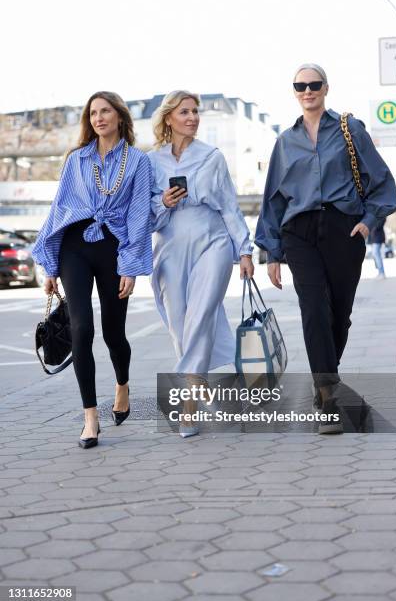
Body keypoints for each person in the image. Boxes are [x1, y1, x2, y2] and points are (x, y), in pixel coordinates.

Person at [255, 64, 396, 435]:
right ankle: (327, 396)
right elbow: (273, 198)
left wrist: (368, 221)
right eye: (300, 85)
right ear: (294, 91)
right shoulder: (286, 141)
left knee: (340, 315)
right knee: (314, 307)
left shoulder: (351, 130)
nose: (307, 90)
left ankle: (325, 381)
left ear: (326, 88)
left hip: (342, 228)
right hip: (298, 233)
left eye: (313, 84)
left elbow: (381, 183)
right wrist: (272, 251)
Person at [32, 91, 153, 448]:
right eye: (93, 113)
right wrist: (51, 265)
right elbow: (60, 210)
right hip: (75, 247)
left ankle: (122, 386)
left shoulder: (138, 161)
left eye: (105, 111)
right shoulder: (76, 160)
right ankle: (90, 417)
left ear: (119, 116)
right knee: (81, 328)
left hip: (114, 248)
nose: (99, 118)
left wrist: (130, 265)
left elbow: (138, 216)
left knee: (114, 334)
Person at [148, 90, 254, 438]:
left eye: (195, 111)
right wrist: (163, 200)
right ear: (168, 118)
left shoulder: (212, 157)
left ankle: (187, 406)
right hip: (169, 247)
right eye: (185, 112)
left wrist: (244, 250)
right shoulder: (151, 162)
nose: (192, 117)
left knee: (200, 317)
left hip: (213, 242)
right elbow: (144, 212)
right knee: (180, 323)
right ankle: (199, 383)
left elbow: (228, 206)